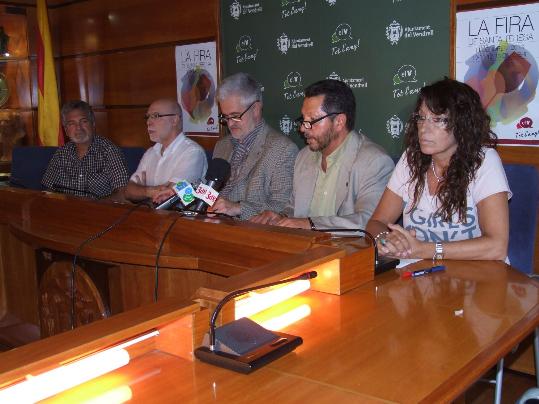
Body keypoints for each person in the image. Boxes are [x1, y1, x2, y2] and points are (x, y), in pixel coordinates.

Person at [366, 78, 511, 261]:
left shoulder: (483, 161)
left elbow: (497, 247)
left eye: (438, 120)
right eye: (421, 118)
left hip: (476, 278)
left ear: (462, 123)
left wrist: (423, 250)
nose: (424, 129)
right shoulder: (411, 159)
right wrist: (385, 240)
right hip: (420, 276)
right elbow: (376, 222)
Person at [250, 79, 394, 230]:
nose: (303, 129)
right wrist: (281, 217)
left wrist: (311, 225)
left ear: (339, 122)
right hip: (304, 249)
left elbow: (370, 222)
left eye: (312, 120)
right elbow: (294, 209)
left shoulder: (374, 161)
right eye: (303, 120)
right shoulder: (303, 157)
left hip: (348, 251)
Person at [208, 72, 298, 219]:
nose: (229, 124)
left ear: (255, 109)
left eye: (235, 116)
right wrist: (185, 194)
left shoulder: (283, 149)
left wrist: (238, 208)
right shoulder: (222, 145)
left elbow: (282, 207)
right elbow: (210, 193)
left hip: (252, 234)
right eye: (225, 117)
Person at [125, 98, 207, 204]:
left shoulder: (192, 152)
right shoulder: (151, 152)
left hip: (181, 218)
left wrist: (142, 190)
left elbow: (171, 196)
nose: (148, 122)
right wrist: (149, 191)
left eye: (155, 116)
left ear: (174, 120)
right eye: (148, 117)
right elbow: (129, 191)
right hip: (153, 215)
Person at [42, 100, 128, 199]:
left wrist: (95, 207)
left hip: (99, 211)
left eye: (83, 121)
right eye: (72, 124)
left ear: (93, 124)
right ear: (66, 130)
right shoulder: (61, 154)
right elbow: (48, 188)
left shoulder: (109, 151)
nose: (78, 128)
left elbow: (122, 192)